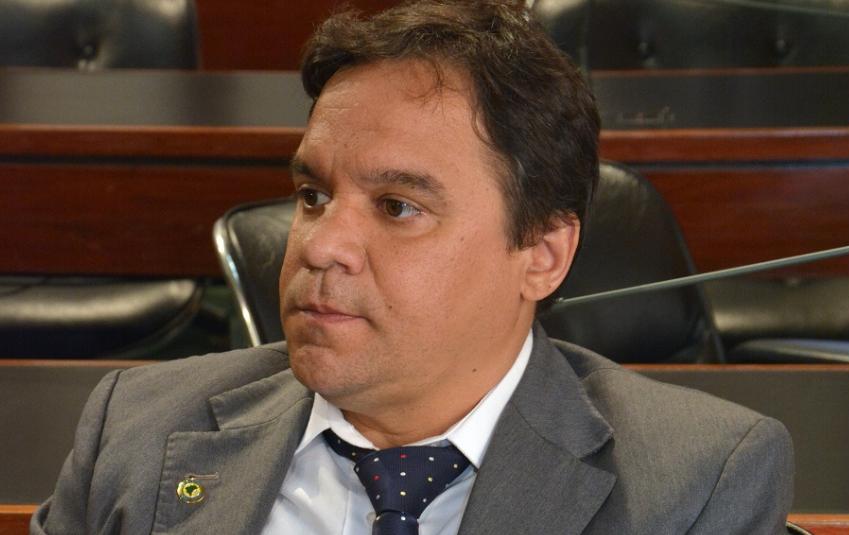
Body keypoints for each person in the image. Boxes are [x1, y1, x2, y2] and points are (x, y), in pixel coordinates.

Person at [31, 1, 793, 534]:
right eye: (312, 194)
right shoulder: (137, 429)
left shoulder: (694, 482)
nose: (319, 245)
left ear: (542, 254)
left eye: (397, 206)